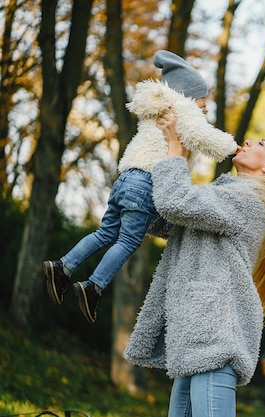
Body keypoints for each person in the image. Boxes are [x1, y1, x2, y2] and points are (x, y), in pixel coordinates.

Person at [122, 109, 265, 417]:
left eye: (260, 144)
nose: (248, 141)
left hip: (214, 333)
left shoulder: (251, 201)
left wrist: (176, 150)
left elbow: (176, 202)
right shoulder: (226, 194)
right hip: (195, 332)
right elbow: (167, 218)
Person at [43, 50, 237, 324]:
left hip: (125, 180)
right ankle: (93, 286)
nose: (205, 108)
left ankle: (63, 266)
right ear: (187, 95)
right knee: (128, 240)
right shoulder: (182, 110)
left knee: (105, 233)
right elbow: (204, 137)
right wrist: (233, 147)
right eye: (203, 101)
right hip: (146, 182)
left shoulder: (155, 111)